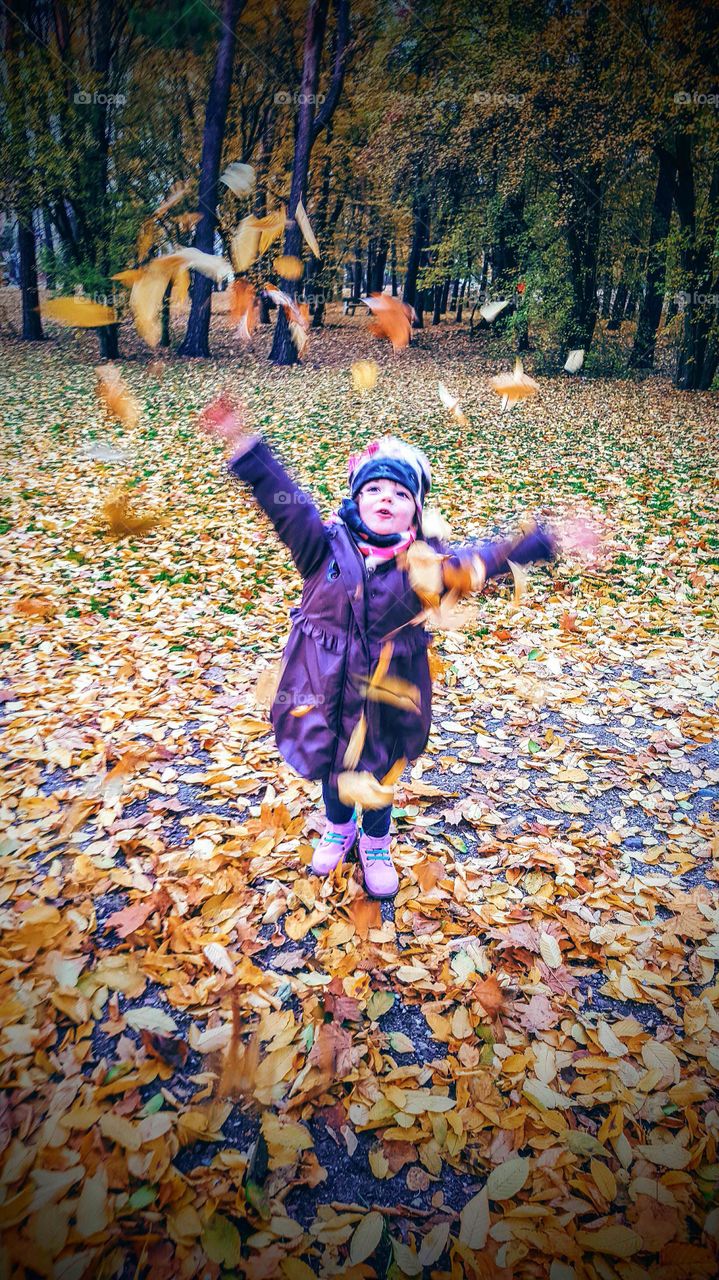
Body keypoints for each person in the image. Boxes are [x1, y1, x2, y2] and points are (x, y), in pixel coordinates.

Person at [198, 397, 574, 899]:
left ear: (416, 512)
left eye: (400, 492)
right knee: (332, 763)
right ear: (356, 498)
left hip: (389, 690)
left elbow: (488, 559)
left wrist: (544, 542)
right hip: (321, 679)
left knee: (378, 767)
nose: (385, 498)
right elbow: (284, 501)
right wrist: (247, 450)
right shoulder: (322, 546)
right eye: (373, 487)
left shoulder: (428, 569)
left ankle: (375, 841)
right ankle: (338, 828)